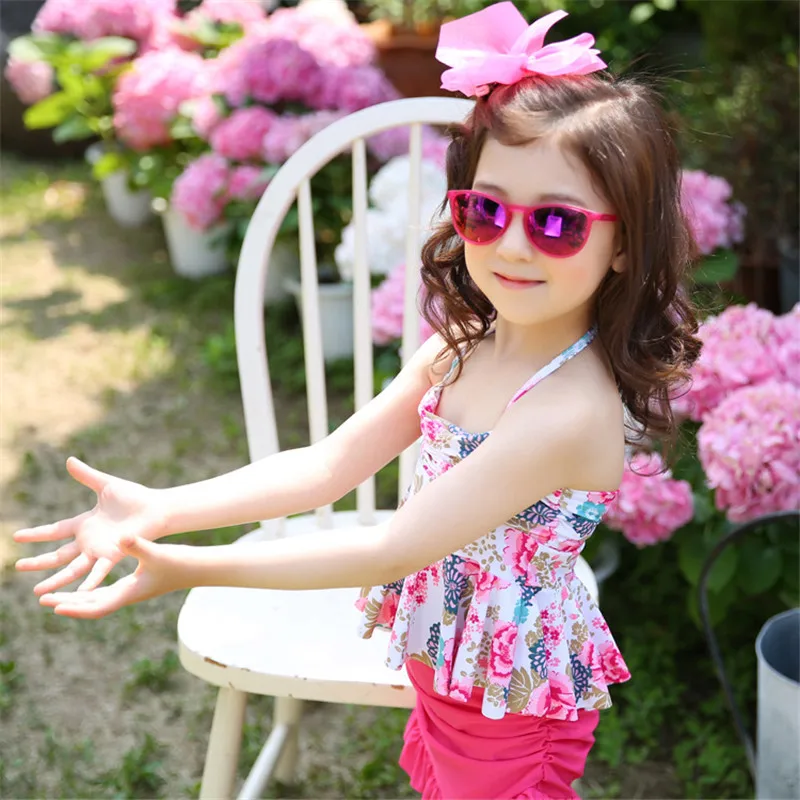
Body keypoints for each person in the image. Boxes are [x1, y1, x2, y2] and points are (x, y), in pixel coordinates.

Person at [14, 3, 701, 797]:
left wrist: (190, 567)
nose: (511, 245)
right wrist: (163, 508)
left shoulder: (566, 411)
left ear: (624, 246)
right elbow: (328, 465)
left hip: (511, 701)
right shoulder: (464, 348)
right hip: (451, 665)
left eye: (556, 223)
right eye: (484, 209)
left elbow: (391, 550)